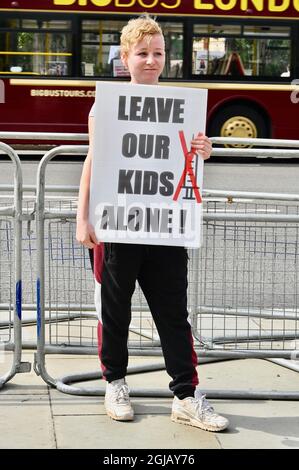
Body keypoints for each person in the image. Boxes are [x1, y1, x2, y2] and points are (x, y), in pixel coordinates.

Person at [76, 14, 229, 433]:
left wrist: (205, 148)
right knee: (115, 311)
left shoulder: (182, 106)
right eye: (142, 53)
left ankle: (185, 395)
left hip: (166, 228)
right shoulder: (106, 106)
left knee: (173, 315)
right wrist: (82, 216)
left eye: (158, 53)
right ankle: (116, 384)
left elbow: (190, 159)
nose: (151, 60)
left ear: (166, 57)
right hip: (117, 226)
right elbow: (94, 159)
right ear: (125, 58)